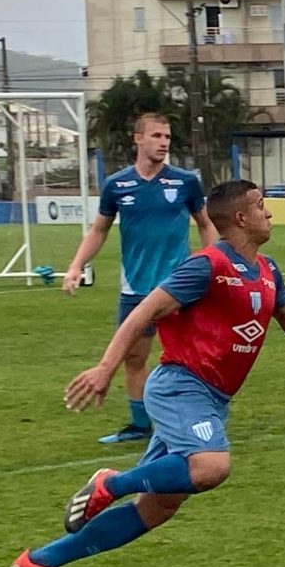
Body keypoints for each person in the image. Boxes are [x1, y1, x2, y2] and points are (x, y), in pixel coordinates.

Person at [10, 180, 285, 567]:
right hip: (180, 387)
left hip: (212, 398)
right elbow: (143, 314)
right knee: (211, 467)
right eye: (262, 206)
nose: (270, 213)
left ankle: (40, 562)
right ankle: (109, 483)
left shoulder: (268, 270)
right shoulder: (206, 266)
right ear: (241, 218)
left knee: (158, 509)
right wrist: (105, 368)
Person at [63, 112, 218, 444]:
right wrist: (76, 265)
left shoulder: (185, 182)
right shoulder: (117, 185)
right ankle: (140, 426)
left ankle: (200, 419)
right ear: (138, 139)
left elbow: (205, 223)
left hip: (179, 288)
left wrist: (215, 263)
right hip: (135, 287)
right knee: (134, 357)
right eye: (157, 136)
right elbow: (99, 230)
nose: (164, 143)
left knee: (192, 358)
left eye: (167, 137)